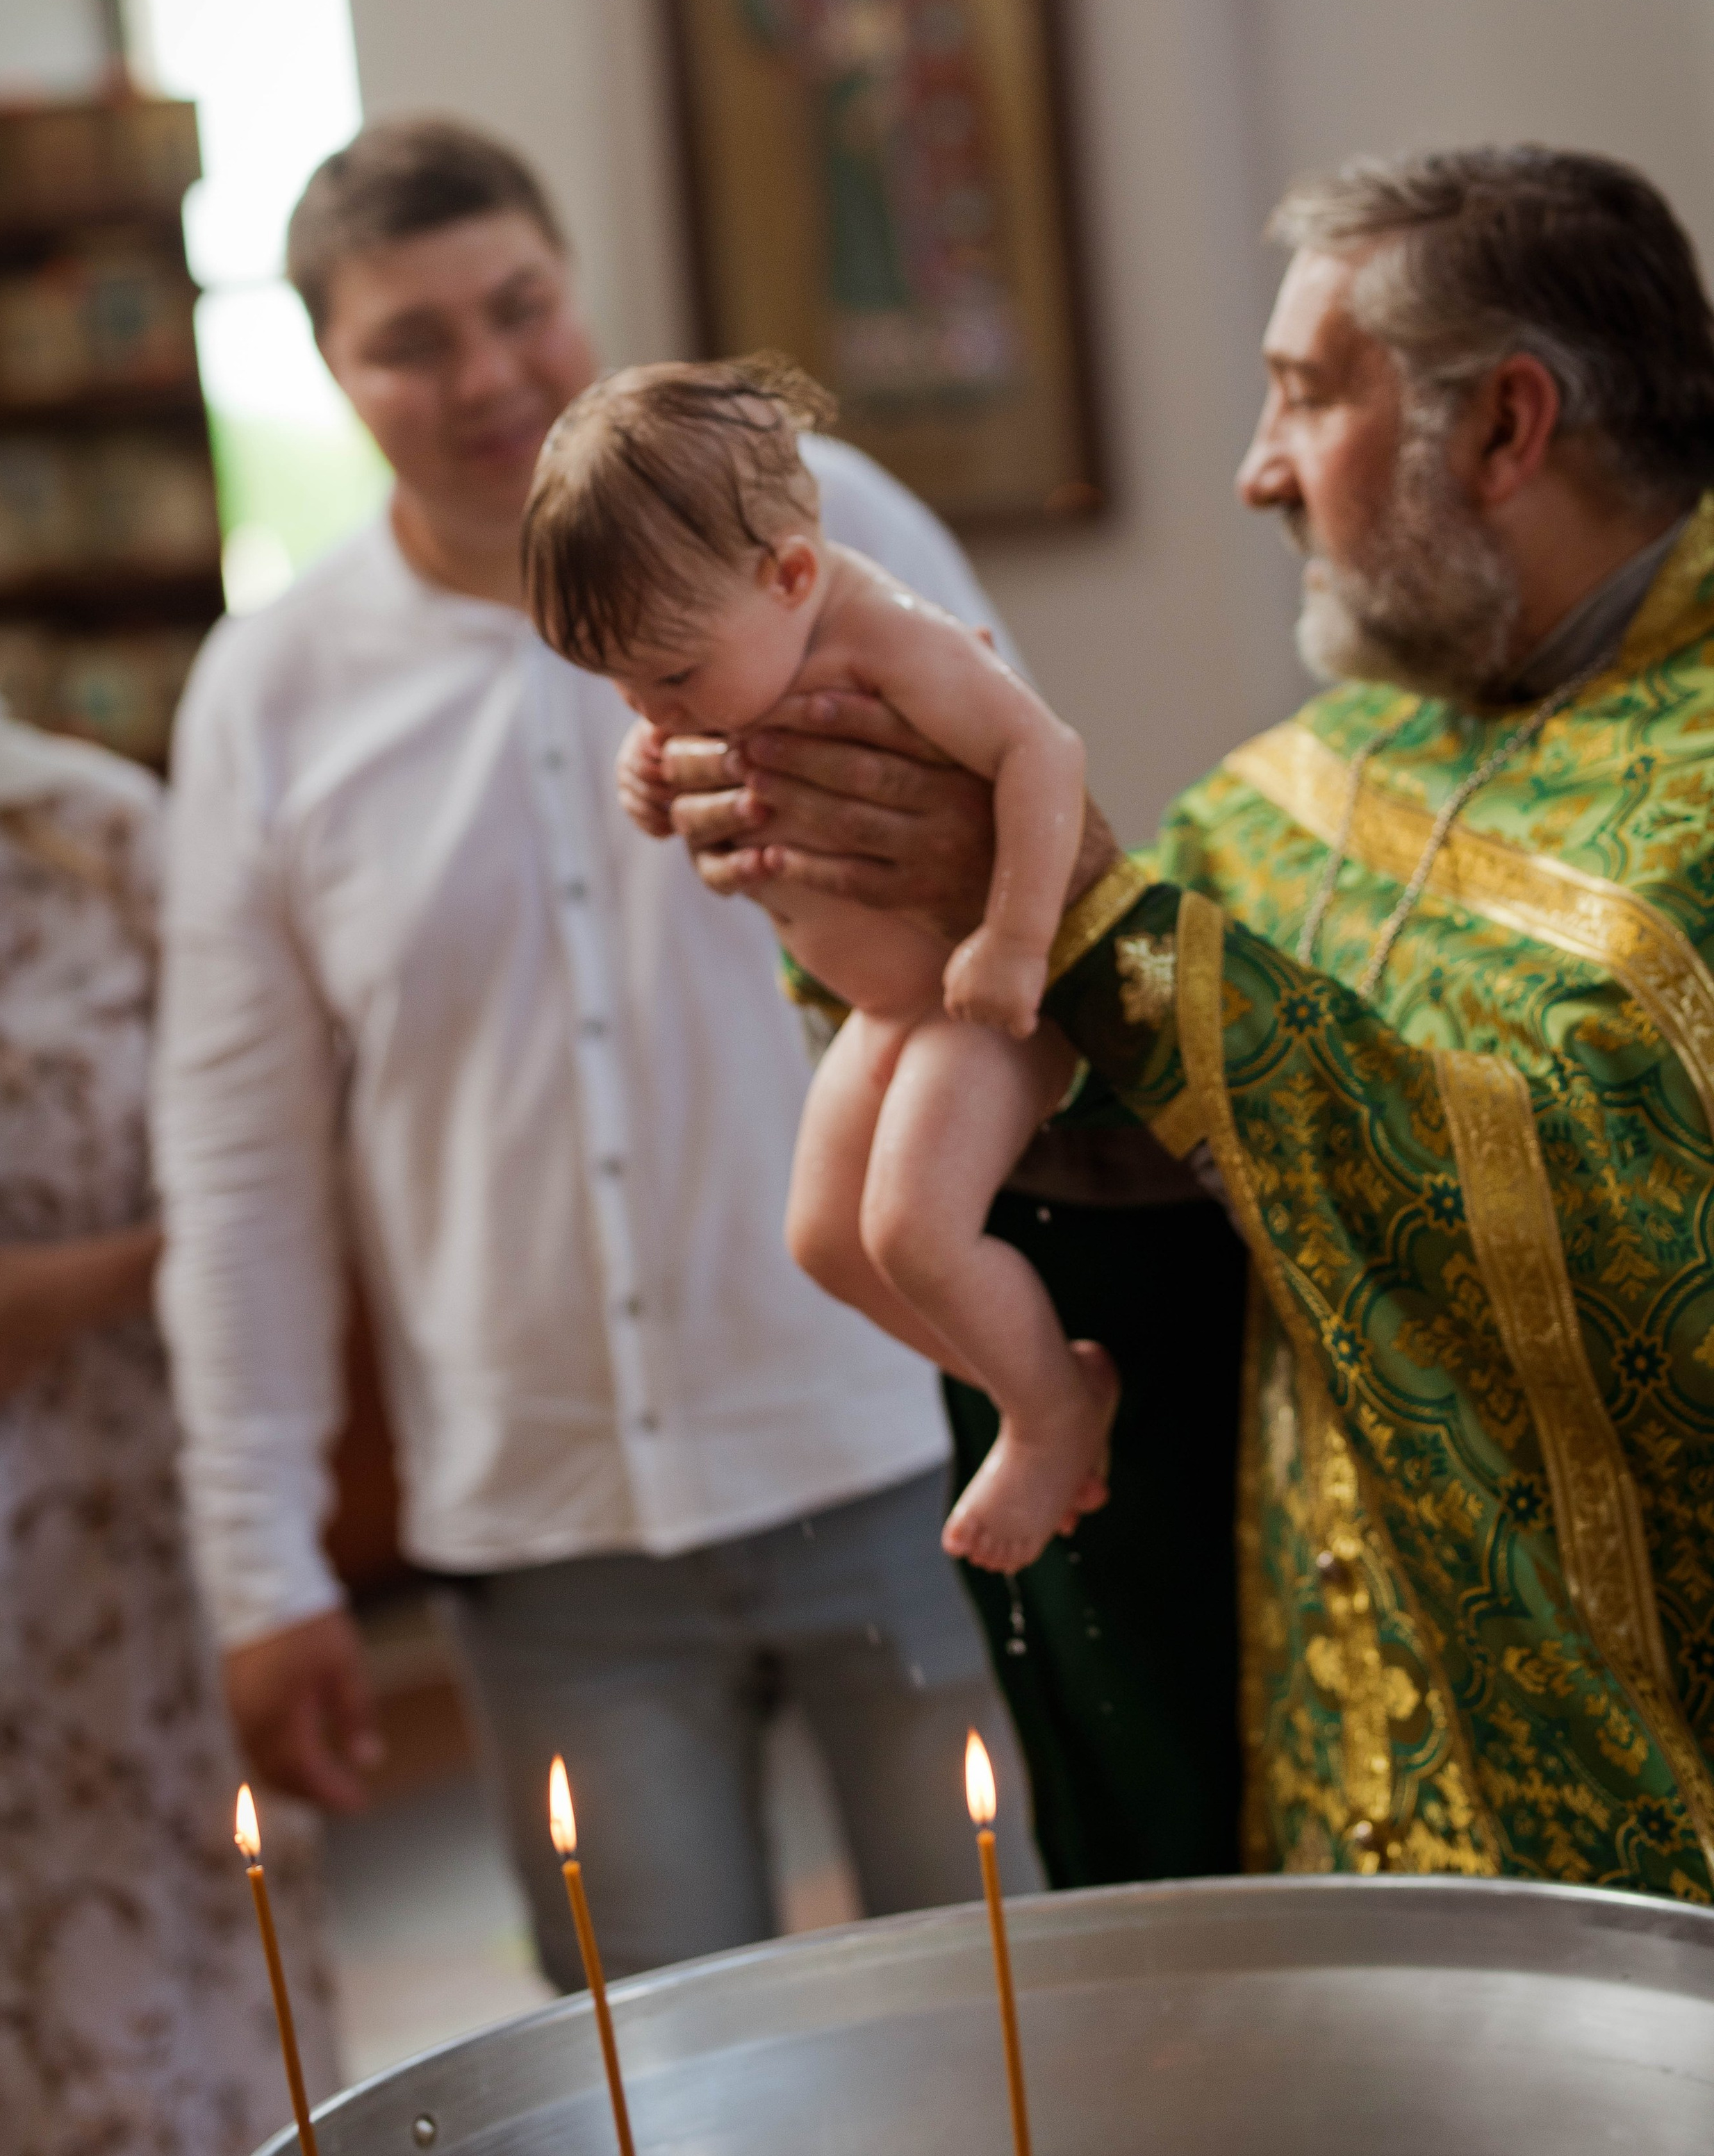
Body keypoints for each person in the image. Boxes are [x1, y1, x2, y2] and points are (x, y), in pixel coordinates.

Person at [664, 144, 1714, 1897]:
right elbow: (1151, 1164)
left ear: (1506, 426)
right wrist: (878, 893)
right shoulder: (1311, 776)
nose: (1255, 472)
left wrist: (1083, 913)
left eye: (1305, 396)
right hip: (1319, 1743)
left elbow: (1590, 1217)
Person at [154, 117, 1039, 1996]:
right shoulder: (274, 687)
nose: (484, 373)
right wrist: (263, 1564)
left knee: (1012, 2034)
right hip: (551, 1552)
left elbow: (1038, 902)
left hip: (897, 1449)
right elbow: (236, 1156)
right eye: (411, 339)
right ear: (329, 366)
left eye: (518, 305)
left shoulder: (842, 530)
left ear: (578, 291)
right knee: (648, 2095)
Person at [521, 351, 1114, 1575]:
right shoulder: (731, 647)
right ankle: (1046, 1379)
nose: (651, 707)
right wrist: (651, 773)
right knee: (825, 1242)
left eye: (671, 677)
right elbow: (687, 771)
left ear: (789, 573)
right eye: (620, 684)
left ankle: (1049, 1411)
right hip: (886, 1012)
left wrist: (1012, 940)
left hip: (970, 997)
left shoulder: (891, 639)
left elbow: (1043, 753)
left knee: (908, 1229)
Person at [0, 452, 333, 2156]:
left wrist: (59, 1295)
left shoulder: (96, 842)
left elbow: (272, 1170)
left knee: (163, 2022)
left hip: (116, 1559)